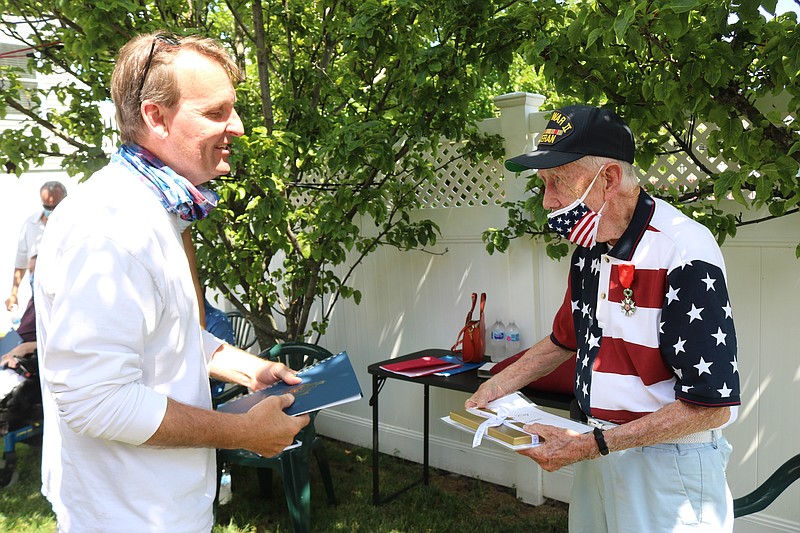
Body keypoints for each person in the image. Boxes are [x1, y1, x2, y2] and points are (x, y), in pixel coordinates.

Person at [34, 32, 309, 532]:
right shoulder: (111, 228)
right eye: (216, 112)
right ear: (155, 117)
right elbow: (97, 400)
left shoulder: (157, 211)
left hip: (159, 505)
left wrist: (249, 370)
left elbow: (163, 336)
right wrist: (242, 432)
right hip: (125, 515)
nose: (239, 127)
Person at [466, 105, 741, 532]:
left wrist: (592, 445)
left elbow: (711, 407)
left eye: (556, 180)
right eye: (543, 184)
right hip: (599, 448)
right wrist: (497, 385)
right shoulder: (591, 248)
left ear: (609, 179)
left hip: (669, 467)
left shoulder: (683, 250)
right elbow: (565, 339)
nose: (548, 200)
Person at [5, 181, 66, 311]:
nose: (50, 211)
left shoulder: (73, 224)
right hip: (37, 286)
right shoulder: (31, 223)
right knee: (28, 329)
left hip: (64, 287)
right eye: (47, 206)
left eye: (55, 206)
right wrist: (14, 293)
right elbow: (21, 260)